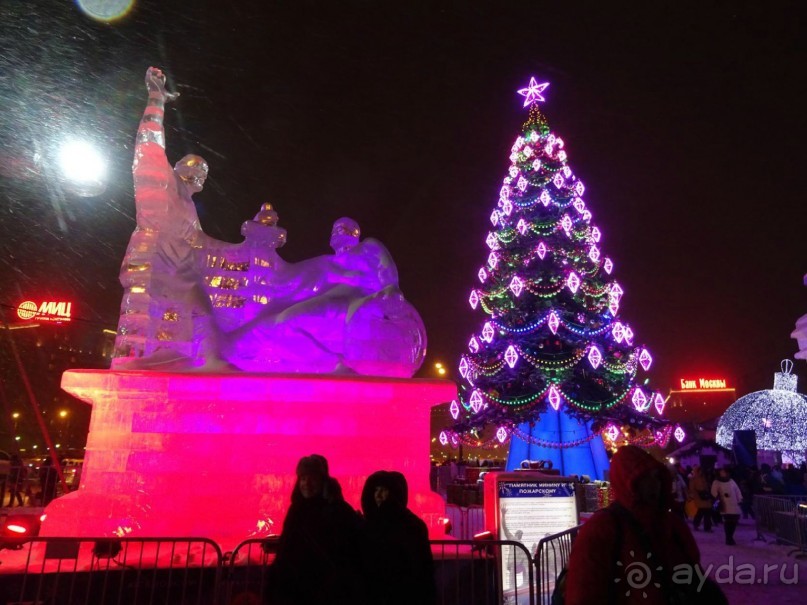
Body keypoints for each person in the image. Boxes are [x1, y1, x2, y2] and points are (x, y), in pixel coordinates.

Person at [113, 66, 228, 370]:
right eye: (193, 165)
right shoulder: (161, 183)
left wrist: (250, 251)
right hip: (151, 263)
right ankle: (135, 363)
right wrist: (156, 99)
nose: (199, 172)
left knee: (196, 315)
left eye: (204, 171)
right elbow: (148, 146)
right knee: (142, 325)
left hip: (179, 274)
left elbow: (203, 244)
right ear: (175, 167)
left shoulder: (190, 210)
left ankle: (199, 361)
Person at [565, 446, 709, 605]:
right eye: (644, 478)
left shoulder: (671, 523)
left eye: (656, 477)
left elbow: (693, 571)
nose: (654, 485)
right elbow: (584, 592)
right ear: (628, 483)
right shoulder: (604, 527)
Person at [266, 455, 365, 605]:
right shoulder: (296, 508)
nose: (306, 484)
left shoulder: (337, 509)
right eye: (303, 478)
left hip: (325, 589)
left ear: (322, 481)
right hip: (295, 588)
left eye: (312, 478)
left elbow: (348, 549)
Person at [360, 471, 436, 605]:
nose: (377, 495)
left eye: (383, 490)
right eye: (376, 490)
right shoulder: (368, 524)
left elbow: (423, 570)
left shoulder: (411, 526)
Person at [711, 467, 743, 545]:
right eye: (721, 472)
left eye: (724, 471)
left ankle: (730, 536)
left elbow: (737, 490)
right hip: (724, 503)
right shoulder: (716, 482)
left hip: (734, 503)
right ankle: (728, 538)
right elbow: (713, 491)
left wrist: (740, 499)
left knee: (734, 521)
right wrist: (718, 496)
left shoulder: (731, 481)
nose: (723, 473)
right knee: (728, 521)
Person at [688, 465, 713, 532]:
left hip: (705, 497)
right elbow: (692, 488)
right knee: (701, 511)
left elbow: (707, 486)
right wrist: (696, 494)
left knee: (706, 512)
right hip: (699, 497)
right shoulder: (693, 478)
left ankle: (707, 527)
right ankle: (698, 524)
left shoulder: (703, 478)